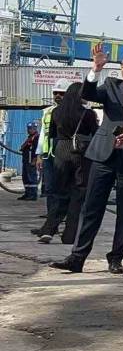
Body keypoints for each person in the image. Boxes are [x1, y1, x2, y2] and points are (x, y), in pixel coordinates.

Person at [49, 47, 123, 274]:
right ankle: (77, 257)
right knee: (91, 208)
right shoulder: (112, 86)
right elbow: (88, 94)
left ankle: (116, 258)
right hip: (103, 155)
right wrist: (96, 68)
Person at [36, 82, 98, 245]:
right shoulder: (87, 113)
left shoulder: (55, 112)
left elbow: (52, 134)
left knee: (59, 192)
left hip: (61, 152)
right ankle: (69, 235)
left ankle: (48, 229)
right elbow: (95, 133)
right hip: (80, 153)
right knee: (78, 193)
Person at [30, 80, 70, 237]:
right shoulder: (47, 112)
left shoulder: (76, 111)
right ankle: (51, 225)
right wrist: (39, 155)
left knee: (65, 190)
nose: (58, 96)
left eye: (61, 93)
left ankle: (67, 225)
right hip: (49, 156)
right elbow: (43, 135)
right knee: (50, 189)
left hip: (65, 156)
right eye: (55, 93)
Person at [18, 122, 40, 200]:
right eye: (28, 128)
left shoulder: (36, 137)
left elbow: (36, 150)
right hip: (26, 160)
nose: (29, 130)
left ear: (35, 129)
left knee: (31, 177)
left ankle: (33, 194)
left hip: (31, 160)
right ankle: (27, 193)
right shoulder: (30, 137)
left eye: (31, 128)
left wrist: (34, 160)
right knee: (26, 177)